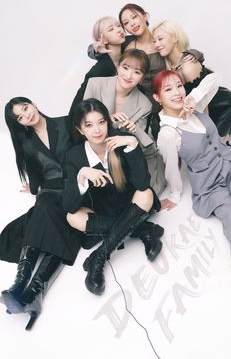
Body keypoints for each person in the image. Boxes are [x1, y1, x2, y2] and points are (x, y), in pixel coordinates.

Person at [63, 98, 163, 295]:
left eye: (101, 122)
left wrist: (133, 143)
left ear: (108, 122)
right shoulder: (74, 156)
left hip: (131, 203)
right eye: (89, 125)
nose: (97, 130)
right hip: (105, 211)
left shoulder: (122, 139)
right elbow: (69, 205)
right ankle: (141, 228)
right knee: (72, 217)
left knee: (146, 193)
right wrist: (82, 174)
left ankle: (99, 257)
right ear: (80, 130)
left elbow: (143, 183)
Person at [0, 97, 81, 330]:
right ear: (20, 123)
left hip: (77, 185)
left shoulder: (65, 123)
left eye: (26, 108)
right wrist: (33, 188)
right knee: (45, 204)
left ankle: (33, 288)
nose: (27, 116)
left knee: (49, 211)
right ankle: (23, 286)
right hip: (51, 191)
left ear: (33, 103)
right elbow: (37, 181)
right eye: (20, 117)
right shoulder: (26, 144)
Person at [152, 70, 231, 272]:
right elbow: (171, 166)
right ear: (157, 98)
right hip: (210, 185)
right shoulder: (167, 134)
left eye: (179, 86)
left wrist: (194, 97)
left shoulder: (193, 106)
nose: (177, 92)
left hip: (230, 163)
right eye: (168, 89)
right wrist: (175, 193)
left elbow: (216, 78)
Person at [83, 48, 166, 194]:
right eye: (125, 68)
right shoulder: (95, 84)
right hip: (92, 149)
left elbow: (138, 145)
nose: (128, 75)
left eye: (137, 72)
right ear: (118, 67)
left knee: (146, 190)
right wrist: (107, 118)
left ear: (142, 77)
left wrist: (134, 128)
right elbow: (81, 120)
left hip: (119, 157)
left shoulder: (144, 104)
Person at [152, 19, 231, 141]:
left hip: (224, 107)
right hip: (209, 110)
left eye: (160, 39)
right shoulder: (171, 66)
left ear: (175, 38)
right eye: (154, 41)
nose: (156, 44)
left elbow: (203, 100)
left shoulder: (188, 66)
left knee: (216, 149)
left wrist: (204, 131)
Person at [69, 16, 126, 118]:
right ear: (102, 39)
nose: (118, 30)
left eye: (118, 25)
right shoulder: (98, 70)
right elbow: (80, 102)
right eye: (111, 29)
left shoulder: (128, 50)